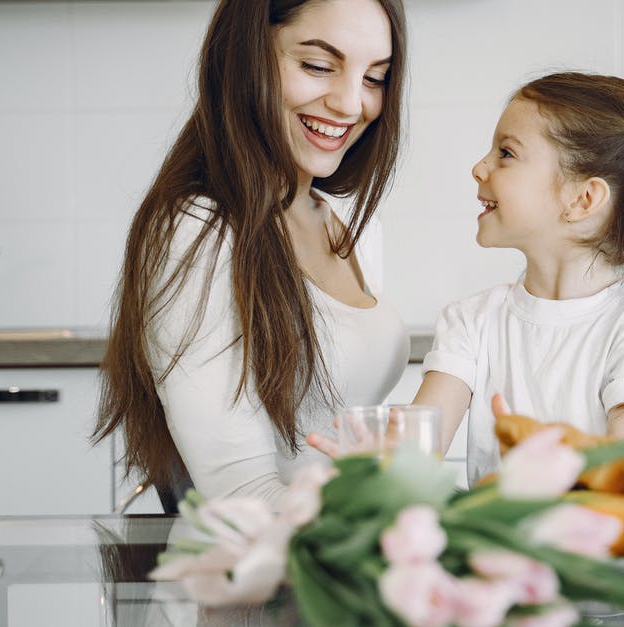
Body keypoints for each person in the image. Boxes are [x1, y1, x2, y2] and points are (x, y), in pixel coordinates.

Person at [314, 72, 624, 486]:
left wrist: (532, 471)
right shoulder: (472, 322)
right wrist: (382, 464)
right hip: (501, 575)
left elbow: (623, 482)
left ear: (582, 199)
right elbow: (417, 447)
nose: (479, 168)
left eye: (506, 153)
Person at [93, 0, 409, 507]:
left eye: (375, 78)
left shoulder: (333, 220)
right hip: (259, 571)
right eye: (318, 66)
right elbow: (238, 491)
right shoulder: (198, 229)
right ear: (245, 59)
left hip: (327, 562)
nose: (352, 104)